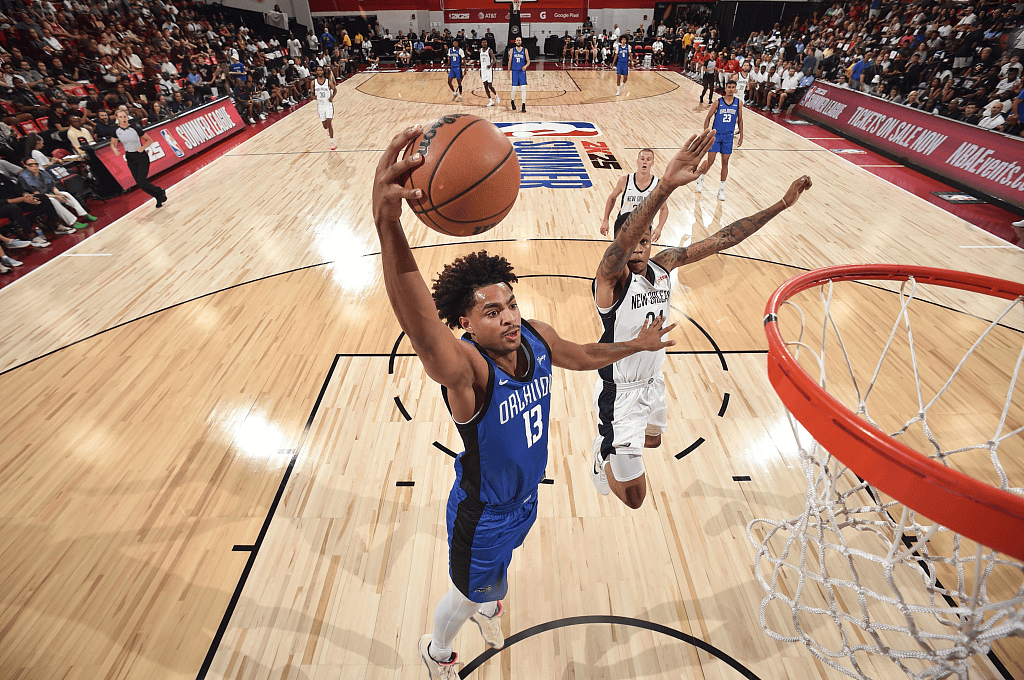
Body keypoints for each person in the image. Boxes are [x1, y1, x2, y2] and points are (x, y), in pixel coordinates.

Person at [372, 124, 676, 680]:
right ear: (465, 323)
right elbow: (422, 329)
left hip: (525, 501)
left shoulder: (535, 336)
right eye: (492, 312)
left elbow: (583, 354)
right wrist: (388, 225)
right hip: (483, 513)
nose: (509, 317)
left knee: (494, 583)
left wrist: (636, 345)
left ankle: (488, 604)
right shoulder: (467, 371)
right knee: (467, 593)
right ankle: (436, 652)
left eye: (510, 304)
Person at [592, 130, 813, 508]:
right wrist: (664, 186)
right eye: (632, 242)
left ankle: (618, 447)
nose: (639, 248)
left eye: (646, 241)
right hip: (621, 392)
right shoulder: (610, 280)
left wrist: (781, 204)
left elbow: (725, 238)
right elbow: (624, 242)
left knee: (653, 439)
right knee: (634, 497)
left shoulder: (664, 265)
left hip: (653, 379)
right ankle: (603, 455)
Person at [600, 149, 670, 243]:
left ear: (652, 163)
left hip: (644, 227)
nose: (645, 162)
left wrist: (659, 228)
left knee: (641, 252)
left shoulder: (657, 184)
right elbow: (612, 198)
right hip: (623, 225)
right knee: (618, 251)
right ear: (637, 161)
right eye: (642, 159)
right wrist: (605, 220)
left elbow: (664, 208)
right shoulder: (625, 180)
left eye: (648, 159)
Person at [694, 79, 744, 201]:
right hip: (716, 136)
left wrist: (741, 135)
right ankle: (701, 177)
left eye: (733, 87)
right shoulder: (718, 102)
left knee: (725, 162)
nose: (731, 89)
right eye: (729, 87)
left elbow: (740, 119)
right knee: (710, 161)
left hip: (728, 136)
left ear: (735, 90)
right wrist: (706, 133)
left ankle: (721, 189)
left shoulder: (738, 103)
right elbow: (708, 118)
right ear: (725, 88)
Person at [18, 155, 97, 232]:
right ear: (25, 166)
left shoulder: (43, 172)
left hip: (50, 193)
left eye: (36, 164)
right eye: (31, 165)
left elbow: (52, 187)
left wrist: (59, 194)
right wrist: (56, 196)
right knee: (53, 200)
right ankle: (72, 223)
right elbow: (38, 194)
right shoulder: (24, 177)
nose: (35, 166)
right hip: (39, 199)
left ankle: (84, 215)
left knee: (66, 194)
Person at [108, 109, 167, 208]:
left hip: (141, 156)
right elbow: (112, 144)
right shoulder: (116, 131)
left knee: (142, 181)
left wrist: (142, 148)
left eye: (124, 117)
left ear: (127, 117)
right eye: (121, 117)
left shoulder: (135, 128)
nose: (123, 119)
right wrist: (115, 150)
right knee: (140, 184)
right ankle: (158, 197)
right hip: (130, 158)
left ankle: (159, 191)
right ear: (117, 118)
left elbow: (149, 140)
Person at [313, 65, 337, 151]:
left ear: (323, 71)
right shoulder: (313, 83)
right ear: (316, 72)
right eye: (318, 70)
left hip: (328, 104)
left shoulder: (328, 82)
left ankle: (332, 143)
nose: (319, 72)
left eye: (321, 70)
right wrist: (313, 97)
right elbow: (311, 93)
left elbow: (335, 89)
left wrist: (332, 97)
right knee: (325, 126)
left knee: (329, 123)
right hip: (320, 105)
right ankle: (328, 127)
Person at [508, 36, 529, 112]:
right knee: (514, 88)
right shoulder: (512, 50)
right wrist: (508, 71)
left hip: (522, 71)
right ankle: (512, 101)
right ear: (515, 41)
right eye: (517, 40)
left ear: (521, 41)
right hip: (515, 71)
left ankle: (523, 104)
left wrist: (525, 66)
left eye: (519, 40)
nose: (518, 41)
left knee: (523, 88)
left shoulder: (525, 50)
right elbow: (509, 61)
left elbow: (528, 61)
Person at [478, 39, 498, 107]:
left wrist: (490, 65)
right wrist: (480, 70)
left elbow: (494, 60)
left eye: (485, 42)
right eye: (483, 42)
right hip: (483, 70)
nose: (484, 43)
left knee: (490, 85)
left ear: (487, 43)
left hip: (488, 69)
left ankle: (496, 95)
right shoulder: (480, 50)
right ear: (481, 43)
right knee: (485, 86)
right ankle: (490, 100)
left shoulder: (489, 50)